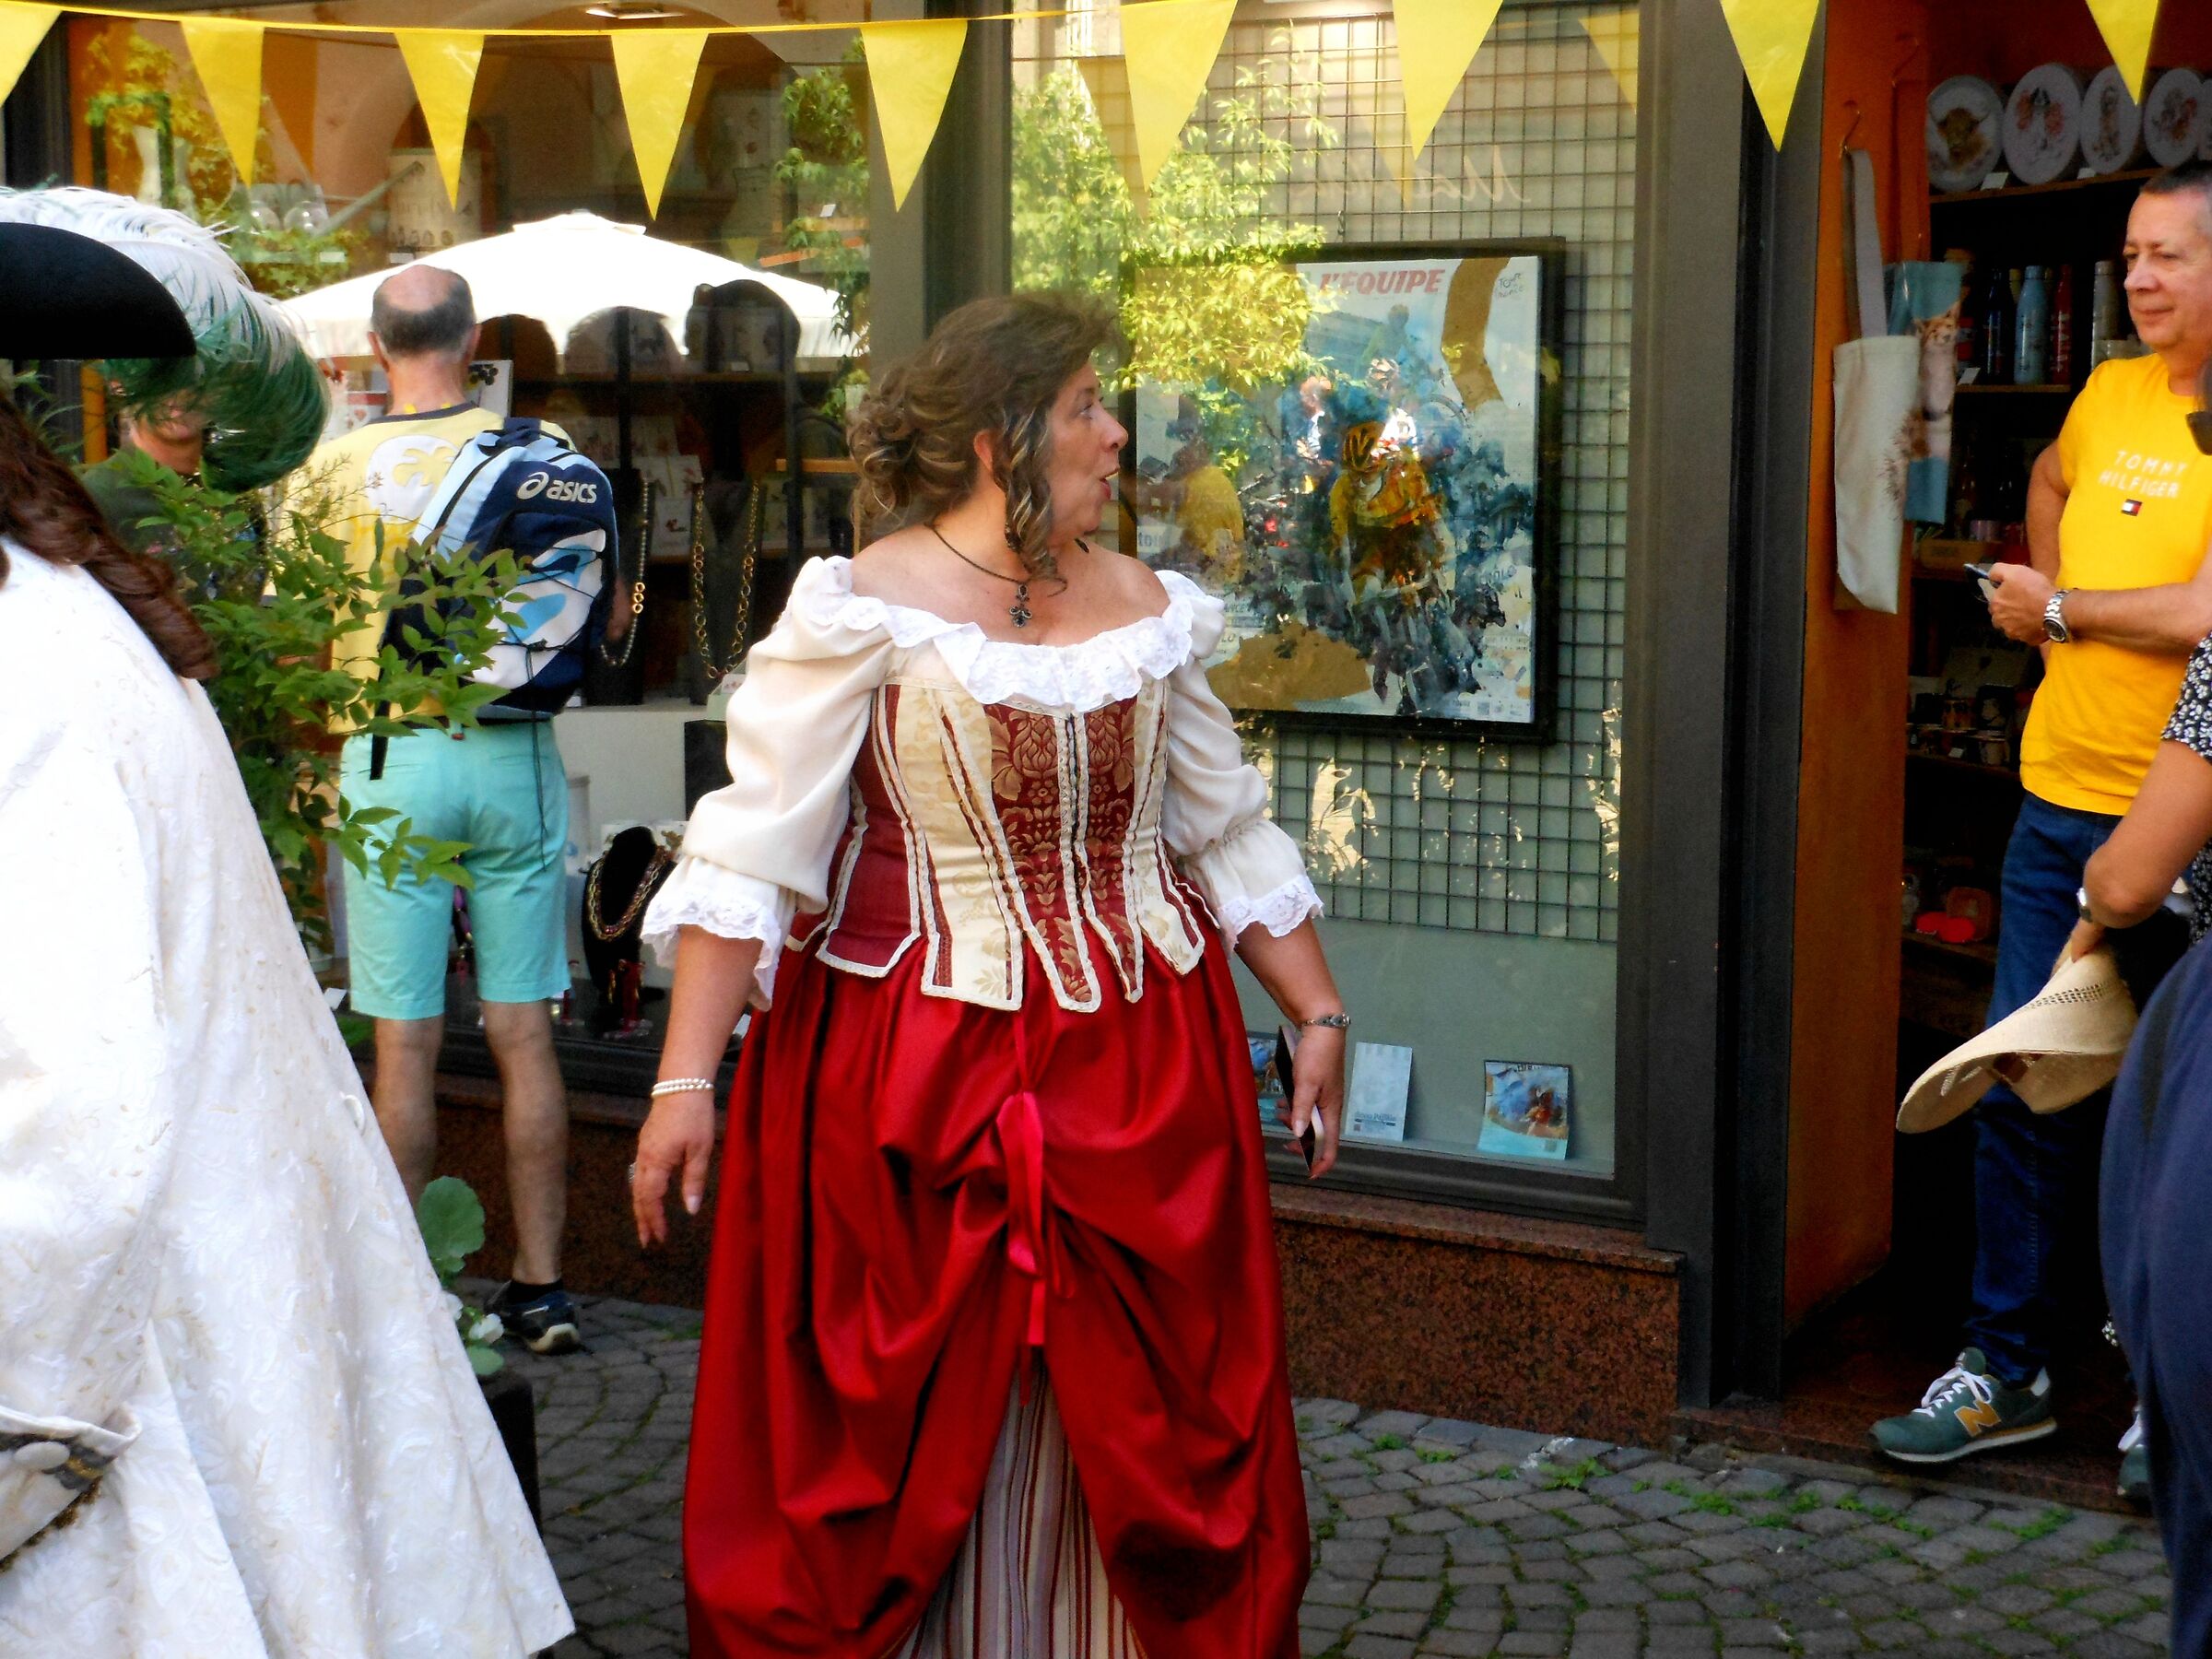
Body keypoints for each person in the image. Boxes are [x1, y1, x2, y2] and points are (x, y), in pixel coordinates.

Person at [629, 292, 1346, 1657]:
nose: (1116, 433)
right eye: (1085, 407)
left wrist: (1314, 1008)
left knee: (1132, 1412)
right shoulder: (866, 606)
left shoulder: (1149, 609)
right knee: (920, 1408)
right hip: (910, 1064)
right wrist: (682, 1083)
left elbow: (1223, 827)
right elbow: (752, 850)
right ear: (996, 440)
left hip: (1142, 1067)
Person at [0, 391, 571, 1653]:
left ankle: (539, 1279)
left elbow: (68, 1109)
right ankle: (537, 1281)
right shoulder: (65, 602)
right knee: (477, 1032)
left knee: (426, 1039)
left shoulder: (28, 647)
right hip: (228, 1276)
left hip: (122, 1356)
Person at [1873, 159, 2212, 1470]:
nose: (2140, 279)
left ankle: (2164, 1396)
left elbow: (2207, 613)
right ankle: (2005, 1366)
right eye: (2130, 256)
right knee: (2020, 1088)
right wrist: (2055, 584)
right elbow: (2054, 481)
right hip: (2059, 802)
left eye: (2169, 255)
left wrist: (2061, 609)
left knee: (2175, 1117)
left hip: (2186, 827)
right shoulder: (2113, 391)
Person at [298, 265, 585, 1354]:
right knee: (523, 1031)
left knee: (405, 1044)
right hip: (514, 755)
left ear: (378, 347)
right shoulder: (542, 454)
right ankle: (543, 1287)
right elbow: (595, 607)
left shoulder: (331, 468)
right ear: (473, 341)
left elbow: (304, 641)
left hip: (391, 756)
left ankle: (413, 1304)